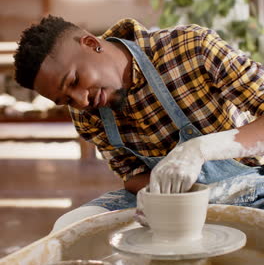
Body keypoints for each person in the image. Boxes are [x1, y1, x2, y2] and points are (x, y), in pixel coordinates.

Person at [14, 15, 264, 231]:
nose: (81, 100)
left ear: (91, 44)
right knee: (70, 228)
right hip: (168, 198)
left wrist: (197, 150)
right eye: (66, 99)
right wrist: (156, 192)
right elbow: (132, 174)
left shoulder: (192, 48)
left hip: (246, 188)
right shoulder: (85, 114)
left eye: (73, 81)